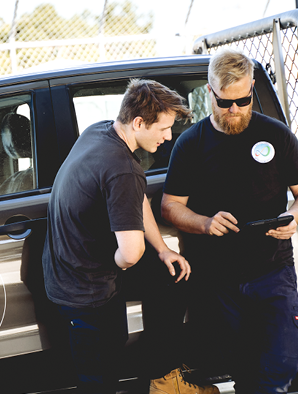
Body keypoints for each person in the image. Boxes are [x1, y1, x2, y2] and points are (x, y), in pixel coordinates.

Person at [161, 47, 298, 394]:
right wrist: (204, 223)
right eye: (224, 102)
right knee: (242, 371)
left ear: (250, 90)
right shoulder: (191, 144)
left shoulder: (276, 135)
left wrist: (293, 217)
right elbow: (170, 206)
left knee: (281, 363)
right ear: (210, 93)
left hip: (272, 271)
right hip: (218, 280)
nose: (234, 109)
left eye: (243, 100)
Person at [42, 79, 192, 394]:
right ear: (138, 122)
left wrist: (163, 250)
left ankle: (164, 379)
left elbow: (135, 199)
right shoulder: (122, 167)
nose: (168, 136)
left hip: (66, 270)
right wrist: (117, 263)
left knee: (170, 276)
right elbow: (132, 252)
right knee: (100, 380)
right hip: (86, 291)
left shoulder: (101, 132)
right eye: (163, 128)